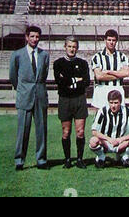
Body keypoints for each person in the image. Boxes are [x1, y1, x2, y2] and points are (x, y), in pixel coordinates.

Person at [10, 26, 50, 170]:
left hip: (40, 96)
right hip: (24, 96)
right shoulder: (17, 55)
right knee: (23, 130)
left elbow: (43, 76)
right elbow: (13, 77)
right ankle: (19, 160)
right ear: (27, 37)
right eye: (32, 36)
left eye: (37, 37)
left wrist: (37, 88)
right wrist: (23, 89)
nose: (35, 39)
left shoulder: (44, 55)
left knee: (41, 130)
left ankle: (41, 159)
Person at [53, 36, 90, 169]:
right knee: (66, 131)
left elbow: (86, 82)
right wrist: (76, 79)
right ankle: (67, 159)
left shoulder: (83, 63)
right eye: (69, 46)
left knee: (80, 131)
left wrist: (68, 79)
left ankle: (80, 159)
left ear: (77, 48)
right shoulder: (58, 63)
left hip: (79, 99)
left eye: (74, 47)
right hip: (65, 100)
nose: (71, 49)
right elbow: (59, 82)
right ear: (65, 47)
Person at [89, 90, 129, 168]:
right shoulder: (102, 111)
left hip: (120, 143)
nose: (113, 106)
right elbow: (94, 131)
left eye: (116, 103)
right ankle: (101, 157)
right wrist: (109, 139)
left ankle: (125, 157)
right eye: (111, 103)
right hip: (106, 142)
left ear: (120, 102)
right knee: (93, 141)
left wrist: (121, 139)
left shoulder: (128, 111)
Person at [90, 29, 129, 109]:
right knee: (101, 117)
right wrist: (119, 74)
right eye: (109, 40)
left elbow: (126, 73)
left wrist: (109, 72)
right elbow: (99, 76)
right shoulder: (97, 57)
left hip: (117, 88)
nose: (111, 42)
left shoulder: (122, 56)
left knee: (118, 117)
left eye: (113, 40)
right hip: (102, 89)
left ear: (116, 41)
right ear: (105, 40)